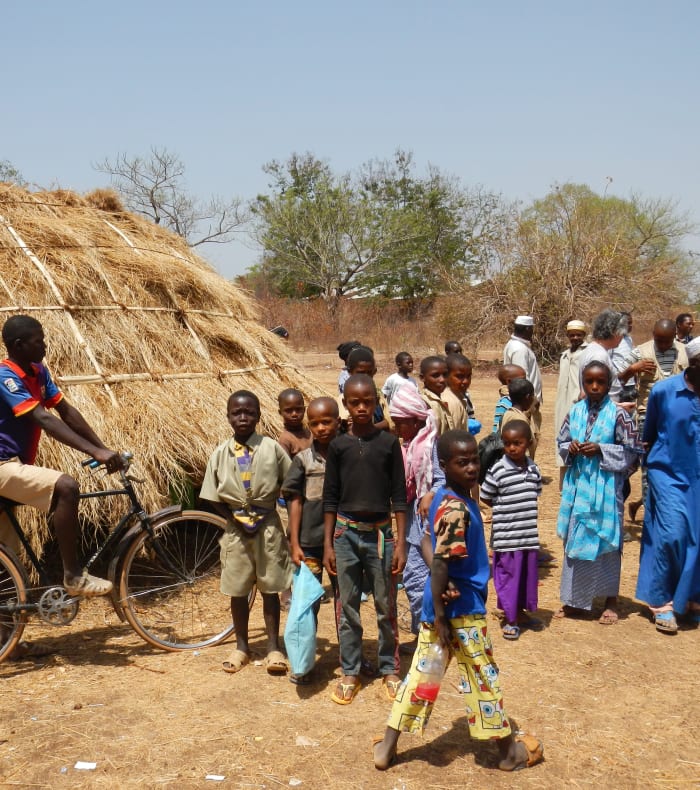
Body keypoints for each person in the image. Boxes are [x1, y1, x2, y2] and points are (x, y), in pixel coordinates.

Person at [372, 430, 544, 773]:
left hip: (442, 608)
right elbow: (437, 562)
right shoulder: (455, 508)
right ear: (444, 465)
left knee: (422, 677)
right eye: (461, 462)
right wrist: (440, 610)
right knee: (483, 677)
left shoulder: (441, 498)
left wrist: (441, 589)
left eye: (474, 460)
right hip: (460, 612)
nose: (471, 468)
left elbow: (424, 542)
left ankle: (387, 747)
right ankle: (509, 752)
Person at [0, 315, 123, 597]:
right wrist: (94, 451)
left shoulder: (38, 371)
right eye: (38, 341)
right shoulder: (4, 377)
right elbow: (43, 419)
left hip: (13, 466)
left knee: (7, 567)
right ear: (19, 345)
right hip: (2, 465)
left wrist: (104, 449)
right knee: (66, 487)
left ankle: (9, 640)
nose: (45, 345)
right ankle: (74, 575)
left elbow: (66, 412)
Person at [323, 374, 408, 704]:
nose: (361, 407)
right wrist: (329, 542)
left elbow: (399, 497)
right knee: (348, 607)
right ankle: (350, 670)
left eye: (367, 401)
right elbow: (330, 498)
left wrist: (400, 542)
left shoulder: (388, 444)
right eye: (354, 402)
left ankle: (390, 668)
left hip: (381, 536)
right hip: (345, 535)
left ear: (376, 402)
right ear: (345, 404)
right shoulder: (338, 446)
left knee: (386, 605)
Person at [200, 390, 292, 675]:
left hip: (268, 528)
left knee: (270, 588)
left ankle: (274, 648)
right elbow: (210, 495)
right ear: (228, 417)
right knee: (238, 590)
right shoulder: (219, 453)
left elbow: (289, 483)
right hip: (236, 531)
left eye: (249, 412)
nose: (243, 417)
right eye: (237, 413)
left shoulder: (272, 449)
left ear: (259, 416)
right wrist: (233, 519)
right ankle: (242, 646)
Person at [555, 362, 642, 624]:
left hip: (606, 490)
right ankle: (575, 601)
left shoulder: (619, 415)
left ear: (609, 383)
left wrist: (602, 450)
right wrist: (570, 448)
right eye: (589, 381)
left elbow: (634, 453)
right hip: (578, 487)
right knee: (575, 540)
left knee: (608, 542)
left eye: (600, 382)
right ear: (582, 382)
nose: (594, 387)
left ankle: (610, 600)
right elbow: (561, 442)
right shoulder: (575, 412)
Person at [635, 337, 700, 634]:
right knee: (671, 533)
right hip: (667, 471)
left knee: (696, 537)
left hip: (697, 475)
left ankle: (689, 599)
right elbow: (649, 434)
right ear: (693, 363)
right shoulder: (664, 391)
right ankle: (661, 602)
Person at [282, 397, 341, 682]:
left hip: (343, 541)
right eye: (314, 423)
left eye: (326, 422)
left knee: (346, 602)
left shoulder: (348, 455)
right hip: (309, 543)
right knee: (306, 606)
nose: (320, 428)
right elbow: (294, 500)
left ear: (338, 422)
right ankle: (303, 662)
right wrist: (294, 543)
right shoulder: (303, 460)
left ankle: (350, 660)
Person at [619, 319, 688, 522]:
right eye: (659, 340)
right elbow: (617, 379)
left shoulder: (685, 352)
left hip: (677, 418)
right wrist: (633, 369)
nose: (663, 345)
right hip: (647, 416)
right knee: (648, 467)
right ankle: (651, 515)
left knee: (674, 466)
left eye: (667, 341)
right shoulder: (641, 351)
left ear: (674, 336)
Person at [481, 420, 542, 640]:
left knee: (525, 577)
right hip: (507, 537)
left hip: (527, 535)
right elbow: (486, 495)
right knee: (508, 577)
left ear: (528, 443)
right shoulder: (498, 469)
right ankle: (510, 618)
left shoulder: (534, 469)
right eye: (507, 444)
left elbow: (535, 492)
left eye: (517, 443)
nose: (512, 448)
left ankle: (521, 612)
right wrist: (503, 510)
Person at [388, 384, 438, 641]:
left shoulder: (430, 446)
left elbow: (441, 479)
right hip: (411, 522)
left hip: (427, 524)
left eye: (400, 423)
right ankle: (424, 631)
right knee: (413, 576)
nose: (397, 428)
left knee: (420, 577)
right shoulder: (408, 446)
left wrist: (429, 494)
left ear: (416, 420)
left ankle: (426, 634)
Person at [577, 309, 633, 409]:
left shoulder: (594, 350)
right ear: (614, 332)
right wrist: (620, 407)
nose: (621, 338)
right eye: (621, 334)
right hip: (602, 416)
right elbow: (588, 395)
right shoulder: (599, 356)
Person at [554, 320, 588, 489]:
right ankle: (563, 485)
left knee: (577, 441)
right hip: (562, 404)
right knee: (562, 441)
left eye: (578, 335)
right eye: (572, 335)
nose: (575, 338)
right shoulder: (565, 354)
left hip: (578, 404)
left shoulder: (587, 353)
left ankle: (577, 484)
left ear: (584, 335)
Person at [502, 316, 543, 440]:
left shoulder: (516, 345)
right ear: (527, 329)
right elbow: (522, 380)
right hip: (525, 402)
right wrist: (530, 402)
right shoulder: (519, 349)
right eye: (531, 329)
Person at [338, 346, 392, 432]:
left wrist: (370, 429)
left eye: (369, 372)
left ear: (374, 372)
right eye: (361, 373)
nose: (366, 377)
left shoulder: (379, 396)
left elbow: (390, 423)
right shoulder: (344, 399)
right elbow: (345, 425)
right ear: (350, 372)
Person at [500, 378, 538, 459]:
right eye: (532, 396)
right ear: (528, 397)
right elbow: (523, 451)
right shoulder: (520, 421)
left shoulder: (509, 413)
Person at [419, 356, 452, 435]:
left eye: (445, 374)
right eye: (435, 375)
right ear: (422, 378)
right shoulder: (424, 403)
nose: (442, 379)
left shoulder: (439, 400)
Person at [276, 388, 312, 458]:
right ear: (280, 413)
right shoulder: (285, 440)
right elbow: (287, 466)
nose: (294, 414)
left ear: (304, 410)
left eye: (298, 409)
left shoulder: (310, 434)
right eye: (288, 411)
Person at [491, 364, 526, 433]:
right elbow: (497, 427)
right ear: (509, 381)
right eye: (522, 380)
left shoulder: (523, 398)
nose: (525, 382)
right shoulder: (504, 402)